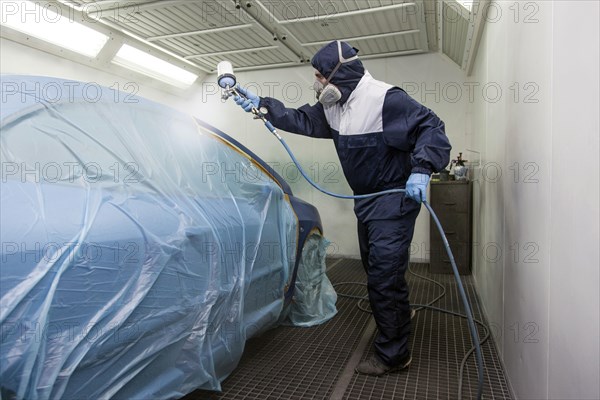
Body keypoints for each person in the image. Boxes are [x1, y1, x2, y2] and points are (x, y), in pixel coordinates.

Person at [234, 40, 451, 376]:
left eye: (321, 76)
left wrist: (422, 169)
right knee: (377, 266)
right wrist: (262, 105)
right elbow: (303, 119)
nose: (318, 82)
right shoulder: (333, 105)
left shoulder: (385, 98)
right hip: (365, 200)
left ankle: (394, 355)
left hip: (393, 197)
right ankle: (396, 312)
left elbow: (432, 128)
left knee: (382, 272)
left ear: (340, 73)